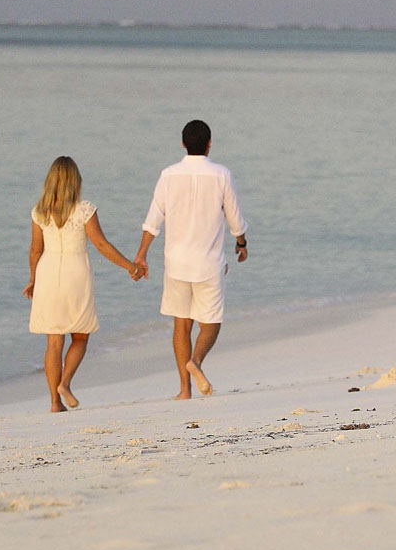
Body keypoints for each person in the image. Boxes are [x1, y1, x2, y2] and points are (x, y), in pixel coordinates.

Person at [134, 120, 249, 400]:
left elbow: (153, 220)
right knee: (210, 322)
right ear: (209, 144)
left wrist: (141, 254)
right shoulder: (222, 174)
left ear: (183, 143)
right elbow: (234, 217)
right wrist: (241, 242)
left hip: (176, 263)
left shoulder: (169, 175)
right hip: (209, 263)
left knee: (181, 324)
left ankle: (184, 390)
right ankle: (196, 361)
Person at [23, 156, 142, 412]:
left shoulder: (39, 211)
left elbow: (35, 250)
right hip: (75, 273)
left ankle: (55, 403)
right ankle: (65, 383)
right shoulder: (84, 209)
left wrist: (33, 279)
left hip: (48, 272)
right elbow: (101, 245)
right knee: (80, 335)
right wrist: (129, 266)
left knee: (54, 342)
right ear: (75, 180)